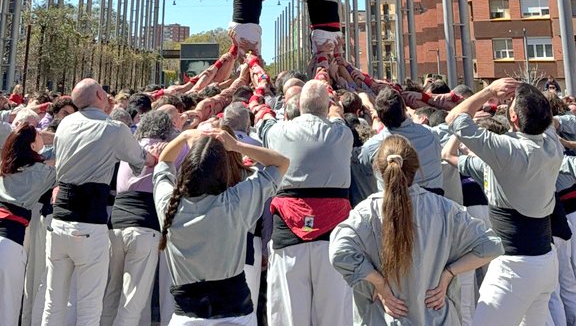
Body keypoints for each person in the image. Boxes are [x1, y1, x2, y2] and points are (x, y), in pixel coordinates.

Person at [329, 135, 502, 325]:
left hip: (383, 317)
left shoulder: (365, 212)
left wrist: (379, 284)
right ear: (416, 167)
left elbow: (339, 252)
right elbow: (492, 246)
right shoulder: (445, 209)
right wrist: (448, 273)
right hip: (437, 317)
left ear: (378, 169)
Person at [445, 78, 564, 326]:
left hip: (514, 265)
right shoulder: (552, 144)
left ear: (515, 119)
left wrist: (488, 91)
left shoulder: (506, 149)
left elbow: (453, 118)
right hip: (545, 259)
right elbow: (546, 118)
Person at [41, 78, 151, 326]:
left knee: (53, 302)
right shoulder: (114, 129)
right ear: (101, 96)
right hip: (89, 224)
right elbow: (140, 161)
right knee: (89, 308)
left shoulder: (66, 124)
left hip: (59, 221)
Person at [153, 125, 288, 325]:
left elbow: (164, 162)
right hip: (236, 315)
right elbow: (281, 163)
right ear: (223, 172)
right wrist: (236, 145)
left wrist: (185, 136)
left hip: (187, 317)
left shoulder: (168, 205)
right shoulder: (236, 202)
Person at [259, 79, 353, 326]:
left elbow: (263, 121)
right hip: (332, 238)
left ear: (298, 106)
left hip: (289, 236)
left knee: (288, 315)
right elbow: (337, 115)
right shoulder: (342, 134)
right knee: (335, 316)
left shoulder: (278, 132)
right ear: (327, 105)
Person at [101, 109, 176, 326]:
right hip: (144, 227)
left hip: (116, 224)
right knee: (132, 302)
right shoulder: (168, 150)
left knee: (111, 295)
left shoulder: (131, 149)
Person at [0, 124, 56, 326]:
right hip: (9, 243)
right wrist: (58, 137)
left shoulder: (4, 167)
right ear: (32, 145)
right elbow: (65, 163)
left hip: (6, 235)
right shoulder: (41, 173)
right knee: (8, 309)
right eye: (38, 135)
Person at [359, 86, 444, 194]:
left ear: (379, 116)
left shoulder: (371, 147)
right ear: (404, 108)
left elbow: (365, 170)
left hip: (391, 205)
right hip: (433, 203)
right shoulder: (431, 135)